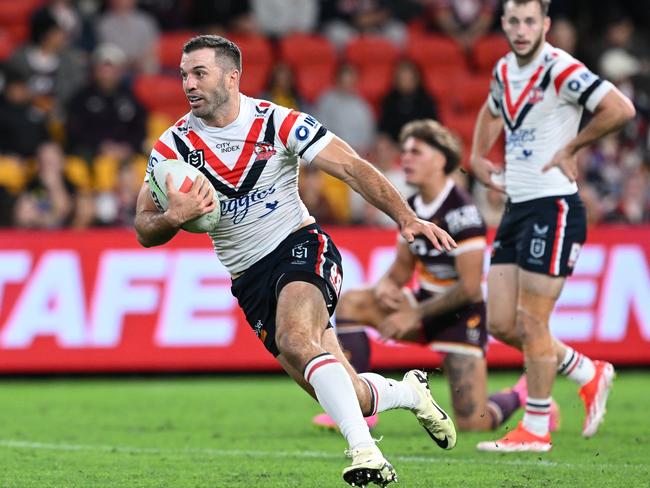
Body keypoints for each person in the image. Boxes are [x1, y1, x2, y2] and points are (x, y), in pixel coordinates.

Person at [134, 35, 458, 487]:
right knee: (351, 393)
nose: (188, 83)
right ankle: (409, 392)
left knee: (295, 338)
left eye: (199, 73)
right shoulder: (172, 148)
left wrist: (405, 217)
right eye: (184, 74)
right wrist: (173, 217)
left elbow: (350, 165)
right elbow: (143, 226)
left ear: (232, 76)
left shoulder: (275, 123)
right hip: (249, 279)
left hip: (299, 246)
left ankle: (366, 453)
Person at [313, 119, 559, 433]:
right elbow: (403, 268)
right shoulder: (412, 206)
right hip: (426, 304)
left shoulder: (463, 212)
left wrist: (413, 314)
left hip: (461, 318)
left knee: (474, 422)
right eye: (404, 152)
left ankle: (521, 394)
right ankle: (359, 407)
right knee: (353, 305)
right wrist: (388, 284)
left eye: (416, 152)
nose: (406, 158)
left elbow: (470, 289)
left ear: (441, 160)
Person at [470, 0, 635, 452]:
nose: (522, 29)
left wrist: (573, 146)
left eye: (530, 21)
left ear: (544, 25)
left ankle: (537, 428)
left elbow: (619, 108)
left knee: (531, 321)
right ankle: (587, 371)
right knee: (503, 322)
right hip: (516, 208)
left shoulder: (559, 68)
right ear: (503, 25)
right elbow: (490, 109)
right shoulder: (505, 69)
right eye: (514, 21)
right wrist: (476, 157)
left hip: (554, 207)